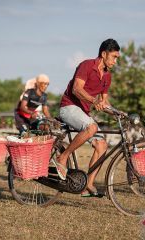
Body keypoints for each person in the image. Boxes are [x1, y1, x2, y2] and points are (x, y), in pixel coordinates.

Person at [55, 38, 120, 197]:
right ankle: (62, 157)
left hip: (83, 113)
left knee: (102, 145)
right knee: (91, 127)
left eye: (117, 58)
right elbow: (77, 89)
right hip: (68, 107)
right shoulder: (86, 65)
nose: (115, 61)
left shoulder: (107, 77)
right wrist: (93, 100)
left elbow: (104, 103)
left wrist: (119, 113)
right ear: (104, 54)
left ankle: (88, 184)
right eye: (114, 57)